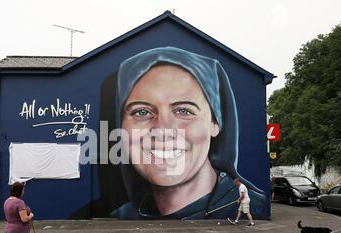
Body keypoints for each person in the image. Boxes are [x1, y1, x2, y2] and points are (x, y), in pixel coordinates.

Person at [110, 46, 267, 220]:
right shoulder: (124, 215)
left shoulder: (248, 206)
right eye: (141, 112)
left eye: (184, 111)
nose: (163, 130)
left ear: (215, 123)